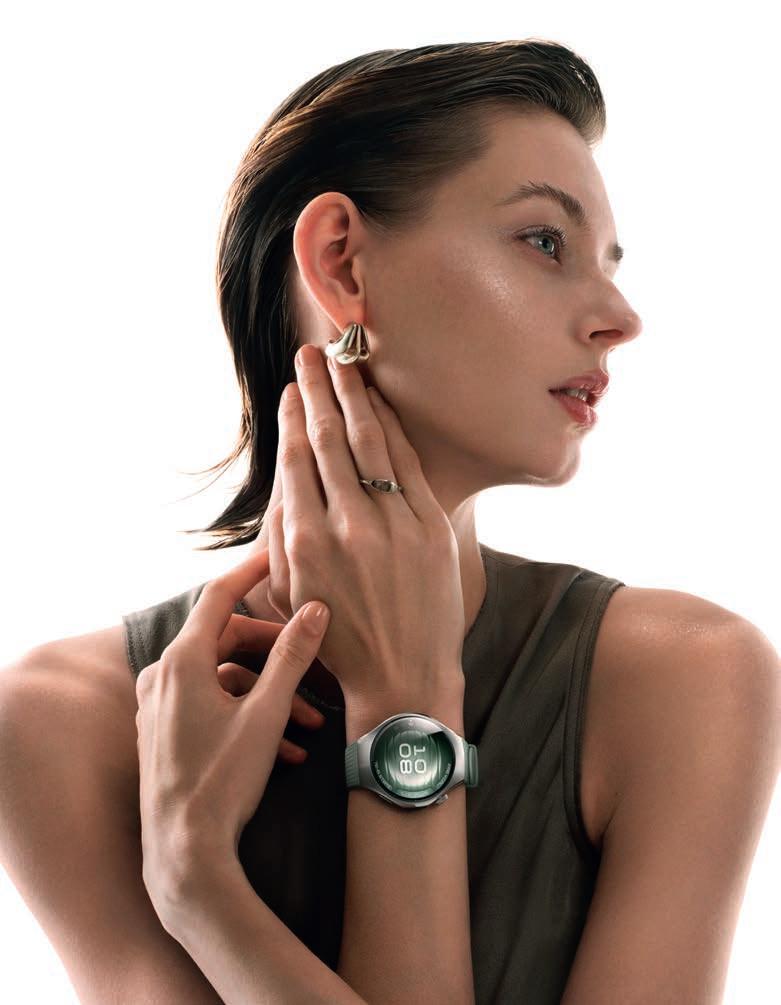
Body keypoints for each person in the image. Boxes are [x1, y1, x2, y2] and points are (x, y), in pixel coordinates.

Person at [2, 38, 779, 1005]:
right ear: (342, 264)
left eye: (608, 264)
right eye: (545, 242)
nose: (619, 317)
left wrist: (201, 884)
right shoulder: (62, 722)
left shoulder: (683, 678)